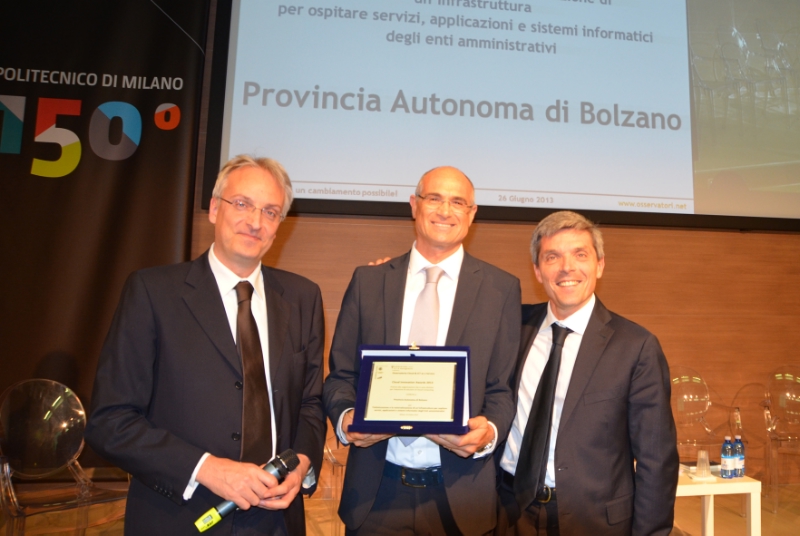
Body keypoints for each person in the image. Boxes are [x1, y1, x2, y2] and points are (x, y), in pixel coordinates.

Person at [85, 156, 326, 536]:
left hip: (277, 519)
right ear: (215, 209)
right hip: (180, 516)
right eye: (242, 204)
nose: (255, 221)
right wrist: (206, 468)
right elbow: (110, 420)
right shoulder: (152, 292)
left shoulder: (303, 298)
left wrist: (302, 464)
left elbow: (310, 403)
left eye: (270, 211)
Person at [323, 166, 521, 536]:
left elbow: (502, 388)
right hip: (376, 495)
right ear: (414, 205)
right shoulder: (369, 281)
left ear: (472, 214)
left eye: (458, 202)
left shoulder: (501, 290)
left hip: (463, 498)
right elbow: (341, 376)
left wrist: (489, 432)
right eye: (434, 198)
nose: (445, 211)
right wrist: (347, 417)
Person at [496, 210, 678, 535]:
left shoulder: (636, 347)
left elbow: (657, 461)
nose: (567, 267)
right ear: (537, 270)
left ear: (600, 265)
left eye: (580, 254)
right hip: (510, 514)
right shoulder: (512, 327)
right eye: (552, 257)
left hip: (595, 522)